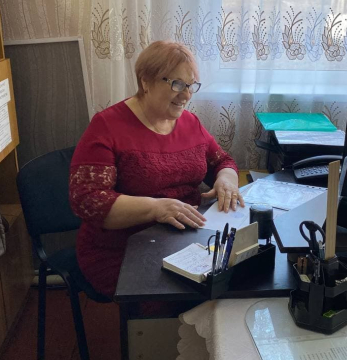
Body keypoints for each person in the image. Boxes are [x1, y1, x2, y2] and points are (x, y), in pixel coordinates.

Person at [69, 41, 244, 297]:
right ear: (146, 82)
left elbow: (222, 161)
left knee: (237, 280)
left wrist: (226, 180)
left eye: (191, 85)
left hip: (185, 239)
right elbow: (88, 201)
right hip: (124, 248)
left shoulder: (190, 122)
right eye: (177, 84)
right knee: (187, 295)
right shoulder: (107, 126)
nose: (186, 95)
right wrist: (156, 208)